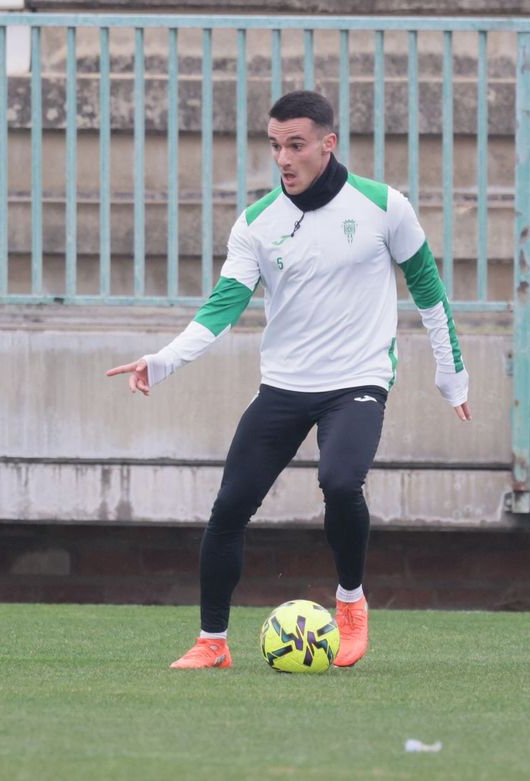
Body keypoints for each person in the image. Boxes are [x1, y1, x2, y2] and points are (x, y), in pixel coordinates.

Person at [107, 90, 470, 670]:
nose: (283, 158)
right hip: (284, 386)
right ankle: (212, 643)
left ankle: (350, 603)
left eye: (296, 145)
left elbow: (429, 290)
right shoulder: (256, 223)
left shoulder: (384, 206)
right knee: (229, 508)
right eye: (275, 146)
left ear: (327, 144)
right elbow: (223, 306)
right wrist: (163, 360)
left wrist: (452, 377)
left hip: (358, 379)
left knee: (340, 481)